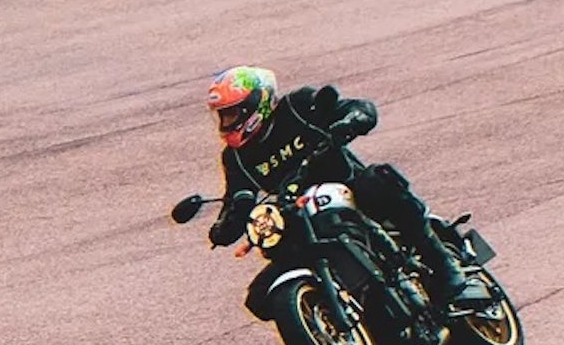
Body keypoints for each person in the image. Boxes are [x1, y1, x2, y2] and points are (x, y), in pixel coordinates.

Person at [203, 65, 486, 309]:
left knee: (378, 181)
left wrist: (350, 121)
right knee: (260, 297)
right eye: (223, 115)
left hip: (349, 190)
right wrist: (223, 228)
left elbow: (358, 108)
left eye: (232, 113)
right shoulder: (236, 158)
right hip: (298, 213)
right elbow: (238, 199)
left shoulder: (298, 106)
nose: (227, 121)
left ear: (258, 103)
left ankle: (444, 264)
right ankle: (341, 315)